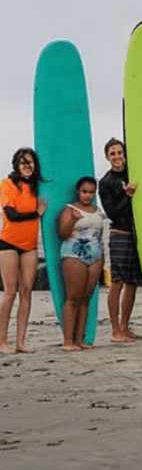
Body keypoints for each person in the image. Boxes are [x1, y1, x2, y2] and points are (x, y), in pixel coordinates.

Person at [0, 148, 45, 354]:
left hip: (30, 245)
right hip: (8, 243)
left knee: (26, 292)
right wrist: (36, 213)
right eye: (22, 162)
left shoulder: (37, 188)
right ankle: (2, 341)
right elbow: (12, 215)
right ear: (16, 165)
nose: (27, 166)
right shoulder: (7, 184)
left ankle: (21, 341)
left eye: (30, 162)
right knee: (10, 292)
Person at [98, 138, 142, 343]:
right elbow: (112, 213)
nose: (116, 157)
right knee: (117, 282)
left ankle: (125, 326)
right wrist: (128, 196)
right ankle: (115, 330)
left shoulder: (133, 172)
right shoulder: (105, 182)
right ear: (107, 157)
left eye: (119, 152)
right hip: (119, 235)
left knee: (132, 282)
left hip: (138, 234)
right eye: (112, 154)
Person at [56, 177, 106, 351]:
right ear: (79, 191)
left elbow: (100, 236)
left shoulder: (97, 210)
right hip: (74, 255)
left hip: (95, 257)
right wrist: (73, 219)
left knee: (85, 299)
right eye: (85, 191)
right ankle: (68, 340)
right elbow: (62, 233)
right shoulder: (70, 209)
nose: (87, 195)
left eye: (91, 192)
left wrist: (103, 260)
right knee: (73, 298)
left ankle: (79, 339)